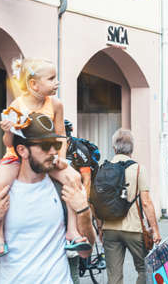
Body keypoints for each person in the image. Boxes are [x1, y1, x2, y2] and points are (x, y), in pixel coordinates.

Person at [0, 113, 96, 283]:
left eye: (54, 144)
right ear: (22, 150)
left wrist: (84, 211)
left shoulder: (62, 185)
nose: (53, 151)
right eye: (45, 146)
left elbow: (86, 252)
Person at [0, 58, 88, 259]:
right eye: (51, 78)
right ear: (34, 84)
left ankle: (72, 231)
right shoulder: (17, 105)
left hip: (47, 155)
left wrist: (61, 159)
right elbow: (9, 143)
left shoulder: (56, 104)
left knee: (74, 179)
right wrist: (7, 130)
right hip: (17, 156)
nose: (56, 82)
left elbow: (61, 134)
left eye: (56, 78)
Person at [100, 129, 161, 284]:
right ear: (132, 149)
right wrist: (155, 229)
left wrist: (101, 227)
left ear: (114, 148)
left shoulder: (103, 168)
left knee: (114, 276)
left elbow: (97, 202)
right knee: (143, 269)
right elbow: (146, 202)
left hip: (109, 229)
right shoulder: (138, 169)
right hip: (133, 229)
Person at [64, 119, 101, 284]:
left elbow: (87, 180)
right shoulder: (56, 149)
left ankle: (85, 255)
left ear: (68, 136)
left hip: (82, 192)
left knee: (83, 224)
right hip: (66, 193)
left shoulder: (79, 149)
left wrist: (83, 203)